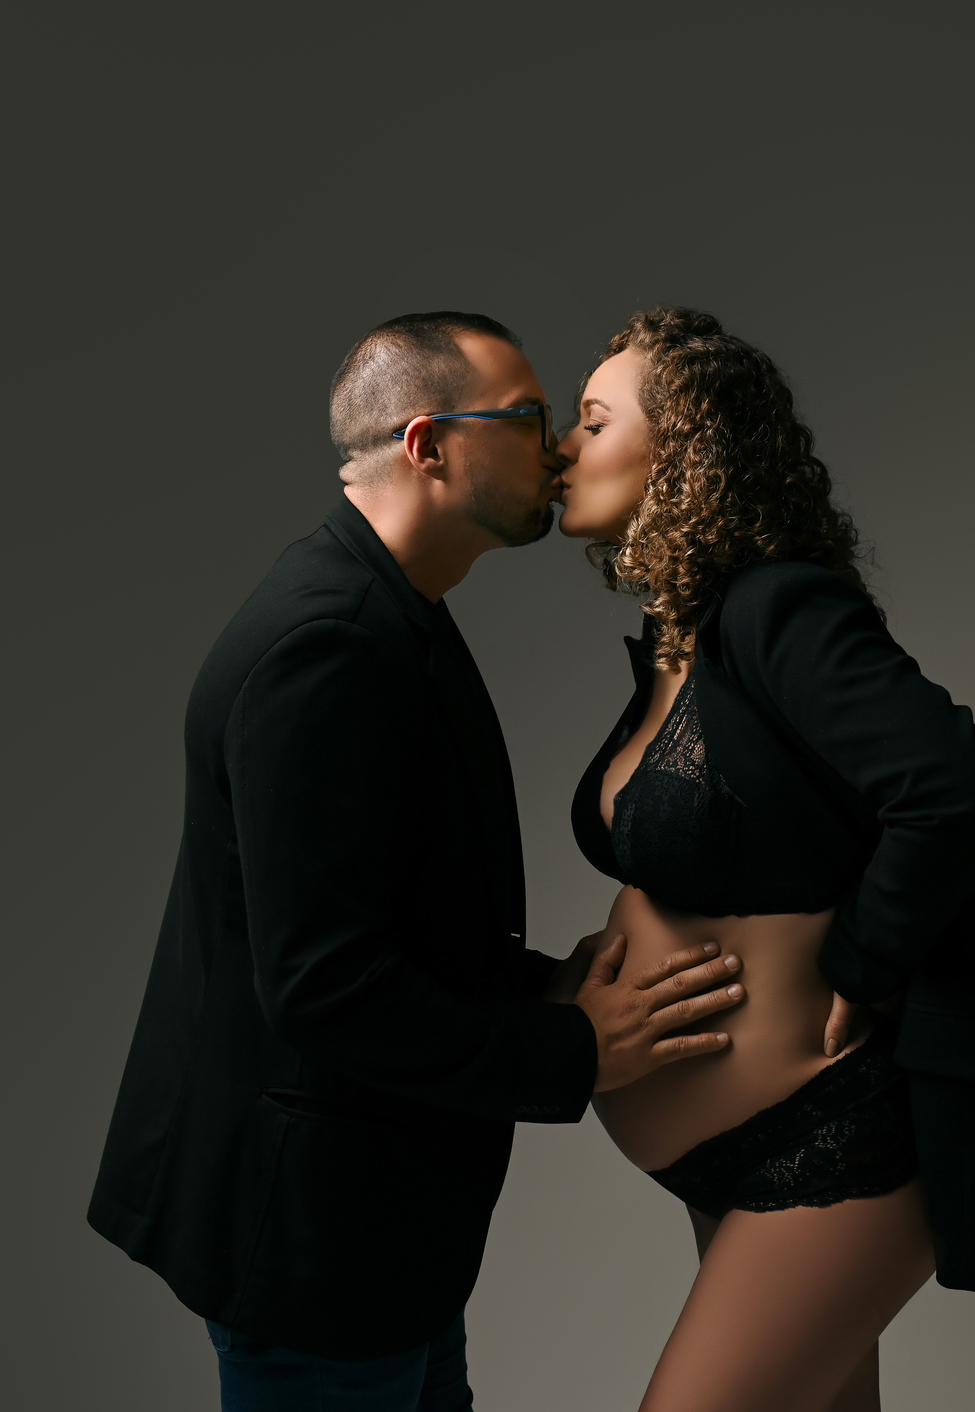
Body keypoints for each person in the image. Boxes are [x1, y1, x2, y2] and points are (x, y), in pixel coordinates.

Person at [87, 311, 748, 1410]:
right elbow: (323, 983)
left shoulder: (393, 613)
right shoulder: (329, 642)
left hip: (380, 1236)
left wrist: (544, 983)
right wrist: (575, 1049)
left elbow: (388, 919)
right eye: (528, 418)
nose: (556, 448)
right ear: (428, 444)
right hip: (311, 1246)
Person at [554, 307, 975, 1412]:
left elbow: (961, 787)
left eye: (593, 421)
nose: (562, 448)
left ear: (684, 447)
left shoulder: (777, 605)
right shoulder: (679, 639)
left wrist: (865, 961)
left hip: (830, 1136)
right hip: (725, 1155)